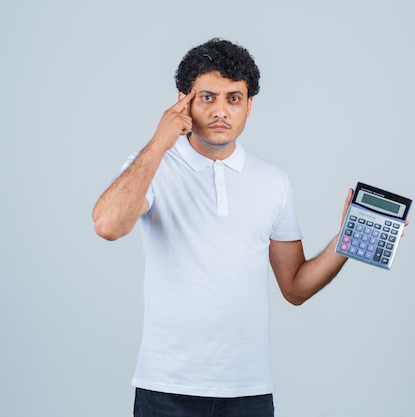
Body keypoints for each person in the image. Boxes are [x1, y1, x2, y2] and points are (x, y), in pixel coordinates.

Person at [92, 38, 353, 417]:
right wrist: (160, 142)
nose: (220, 111)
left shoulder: (272, 181)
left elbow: (295, 287)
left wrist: (346, 239)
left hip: (249, 392)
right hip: (167, 388)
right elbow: (108, 225)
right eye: (207, 97)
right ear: (183, 102)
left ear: (249, 106)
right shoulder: (153, 167)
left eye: (233, 99)